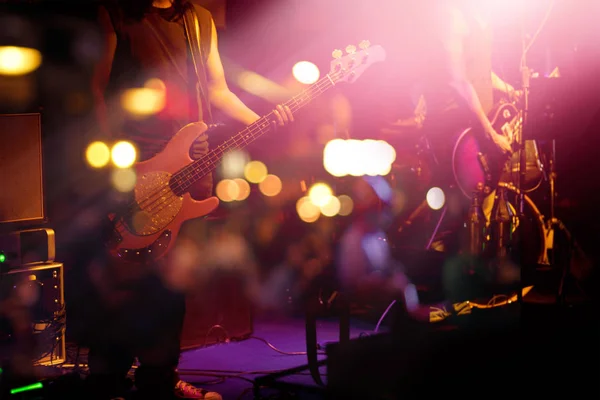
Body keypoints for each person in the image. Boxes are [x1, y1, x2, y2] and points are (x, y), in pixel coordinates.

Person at [80, 0, 293, 399]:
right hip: (139, 159)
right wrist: (113, 160)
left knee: (174, 277)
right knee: (126, 274)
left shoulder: (198, 19)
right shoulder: (118, 12)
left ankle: (158, 379)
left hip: (193, 162)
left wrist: (262, 118)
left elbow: (218, 91)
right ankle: (107, 377)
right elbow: (96, 87)